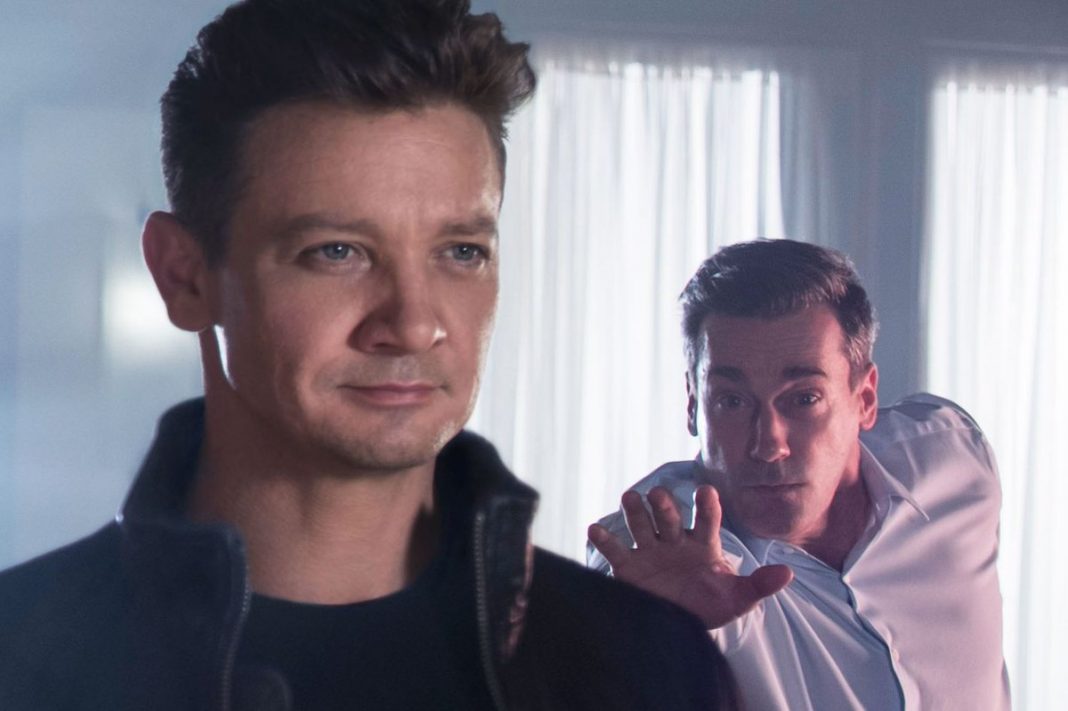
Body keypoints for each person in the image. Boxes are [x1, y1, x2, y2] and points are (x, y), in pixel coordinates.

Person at [0, 2, 737, 709]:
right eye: (337, 251)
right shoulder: (20, 658)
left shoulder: (648, 668)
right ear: (185, 276)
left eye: (460, 251)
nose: (413, 325)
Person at [588, 239, 1011, 710]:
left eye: (804, 398)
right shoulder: (662, 546)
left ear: (865, 398)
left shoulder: (952, 459)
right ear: (693, 405)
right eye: (732, 401)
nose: (768, 444)